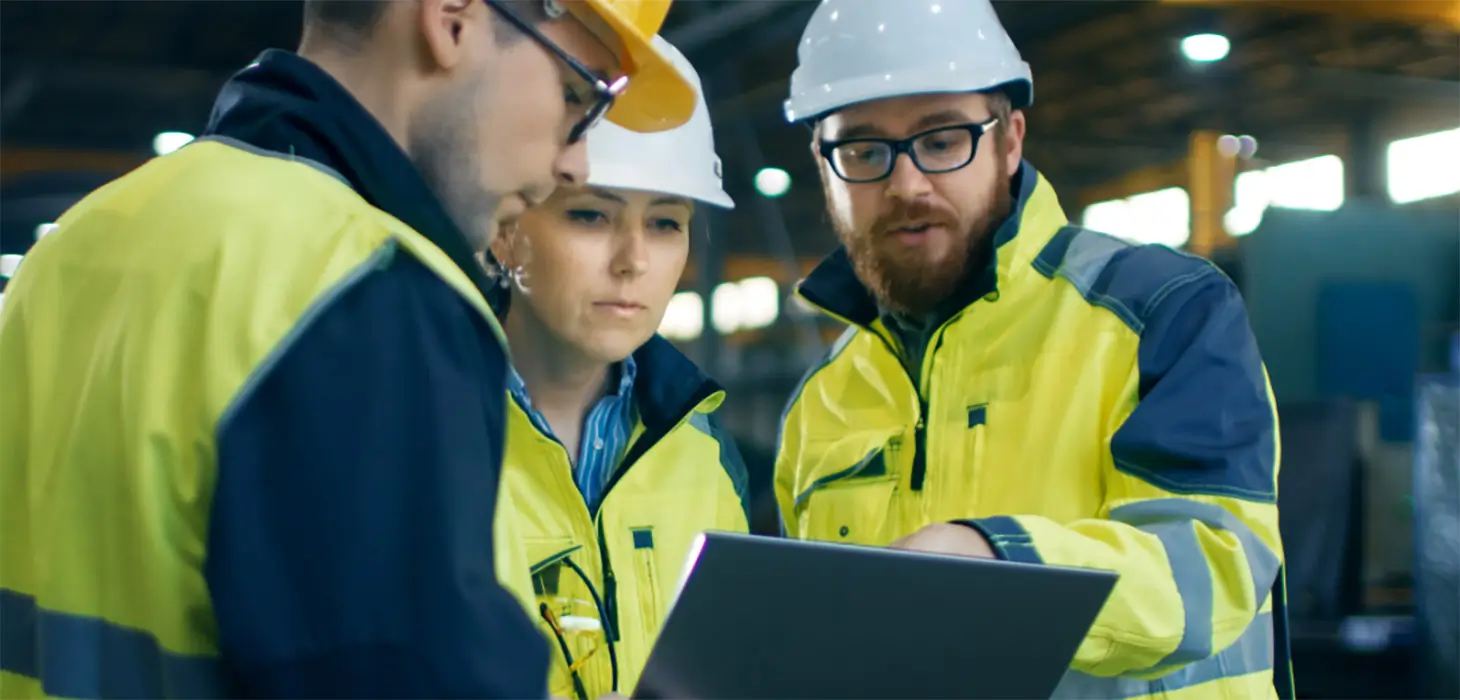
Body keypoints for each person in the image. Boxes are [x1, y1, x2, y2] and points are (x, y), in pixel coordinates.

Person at [0, 1, 695, 697]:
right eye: (577, 94)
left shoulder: (80, 243)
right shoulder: (370, 289)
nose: (573, 162)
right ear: (452, 18)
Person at [772, 1, 1293, 698]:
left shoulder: (1162, 312)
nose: (906, 185)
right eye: (863, 150)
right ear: (823, 164)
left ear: (1009, 140)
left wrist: (1000, 557)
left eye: (941, 139)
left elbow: (1213, 571)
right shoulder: (823, 399)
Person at [488, 36, 749, 700]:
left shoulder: (707, 456)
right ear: (505, 229)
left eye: (666, 224)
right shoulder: (424, 434)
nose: (634, 260)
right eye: (591, 215)